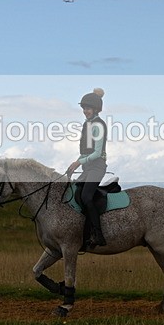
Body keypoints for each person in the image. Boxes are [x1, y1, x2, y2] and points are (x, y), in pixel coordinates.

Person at [66, 88, 108, 247]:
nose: (85, 111)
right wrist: (75, 163)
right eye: (83, 108)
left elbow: (97, 152)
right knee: (74, 193)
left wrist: (79, 162)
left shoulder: (98, 125)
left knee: (86, 197)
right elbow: (86, 152)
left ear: (96, 109)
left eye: (88, 108)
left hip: (97, 167)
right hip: (87, 167)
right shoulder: (87, 124)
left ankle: (98, 235)